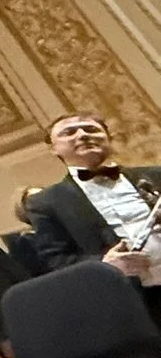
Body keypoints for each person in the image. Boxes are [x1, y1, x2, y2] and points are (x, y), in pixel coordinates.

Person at [23, 113, 161, 323]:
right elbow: (56, 260)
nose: (82, 135)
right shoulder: (45, 202)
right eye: (69, 132)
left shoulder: (156, 175)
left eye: (91, 129)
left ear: (108, 137)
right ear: (53, 149)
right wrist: (104, 265)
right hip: (133, 303)